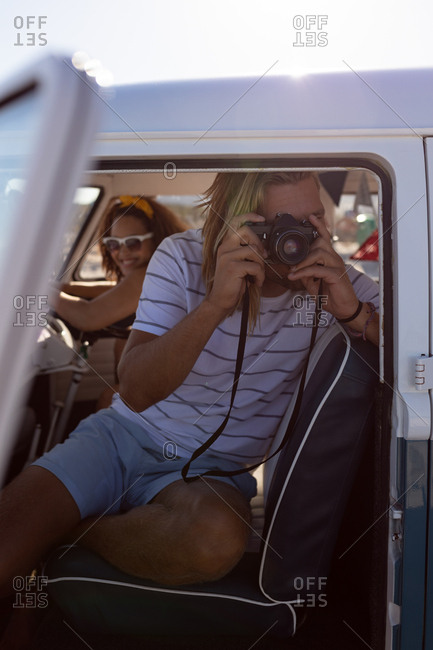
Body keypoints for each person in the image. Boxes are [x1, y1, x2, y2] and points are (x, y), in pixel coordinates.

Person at [0, 172, 379, 613]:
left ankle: (72, 530)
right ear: (241, 225)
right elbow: (137, 392)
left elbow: (416, 348)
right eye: (281, 226)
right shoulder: (180, 257)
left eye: (315, 219)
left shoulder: (332, 278)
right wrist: (216, 304)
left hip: (210, 471)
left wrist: (352, 311)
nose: (300, 239)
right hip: (119, 437)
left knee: (213, 541)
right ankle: (68, 529)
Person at [50, 195, 187, 408]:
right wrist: (63, 288)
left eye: (133, 243)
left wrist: (40, 290)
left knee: (109, 399)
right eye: (113, 244)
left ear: (157, 238)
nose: (122, 252)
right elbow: (117, 291)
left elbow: (88, 316)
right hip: (170, 375)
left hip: (178, 385)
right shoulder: (153, 273)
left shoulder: (151, 273)